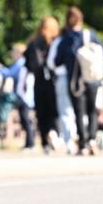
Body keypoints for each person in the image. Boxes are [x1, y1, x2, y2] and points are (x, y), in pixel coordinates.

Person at [54, 6, 103, 155]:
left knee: (79, 112)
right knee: (92, 111)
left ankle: (82, 143)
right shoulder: (91, 35)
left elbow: (57, 61)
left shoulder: (67, 39)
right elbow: (102, 54)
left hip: (75, 81)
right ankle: (92, 140)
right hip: (93, 79)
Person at [24, 16, 60, 154]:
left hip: (38, 80)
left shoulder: (33, 42)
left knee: (41, 112)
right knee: (53, 111)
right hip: (53, 80)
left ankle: (45, 143)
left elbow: (27, 64)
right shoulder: (55, 42)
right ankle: (54, 132)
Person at [0, 42, 35, 149]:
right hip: (24, 95)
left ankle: (30, 144)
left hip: (24, 95)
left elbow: (9, 73)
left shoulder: (20, 63)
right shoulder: (22, 62)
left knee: (26, 119)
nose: (12, 54)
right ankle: (29, 143)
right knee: (24, 119)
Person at [47, 20, 77, 155]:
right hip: (79, 79)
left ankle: (69, 140)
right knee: (78, 110)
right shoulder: (80, 37)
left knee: (65, 110)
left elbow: (51, 63)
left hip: (63, 78)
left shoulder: (60, 41)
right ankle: (81, 138)